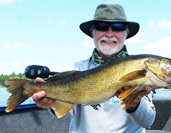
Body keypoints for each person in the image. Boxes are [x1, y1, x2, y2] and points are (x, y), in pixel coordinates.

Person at [33, 4, 156, 133]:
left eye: (118, 27)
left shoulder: (138, 68)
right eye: (101, 26)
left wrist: (134, 103)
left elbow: (147, 121)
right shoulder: (78, 68)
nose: (109, 34)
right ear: (93, 32)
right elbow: (66, 115)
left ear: (126, 33)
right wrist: (51, 104)